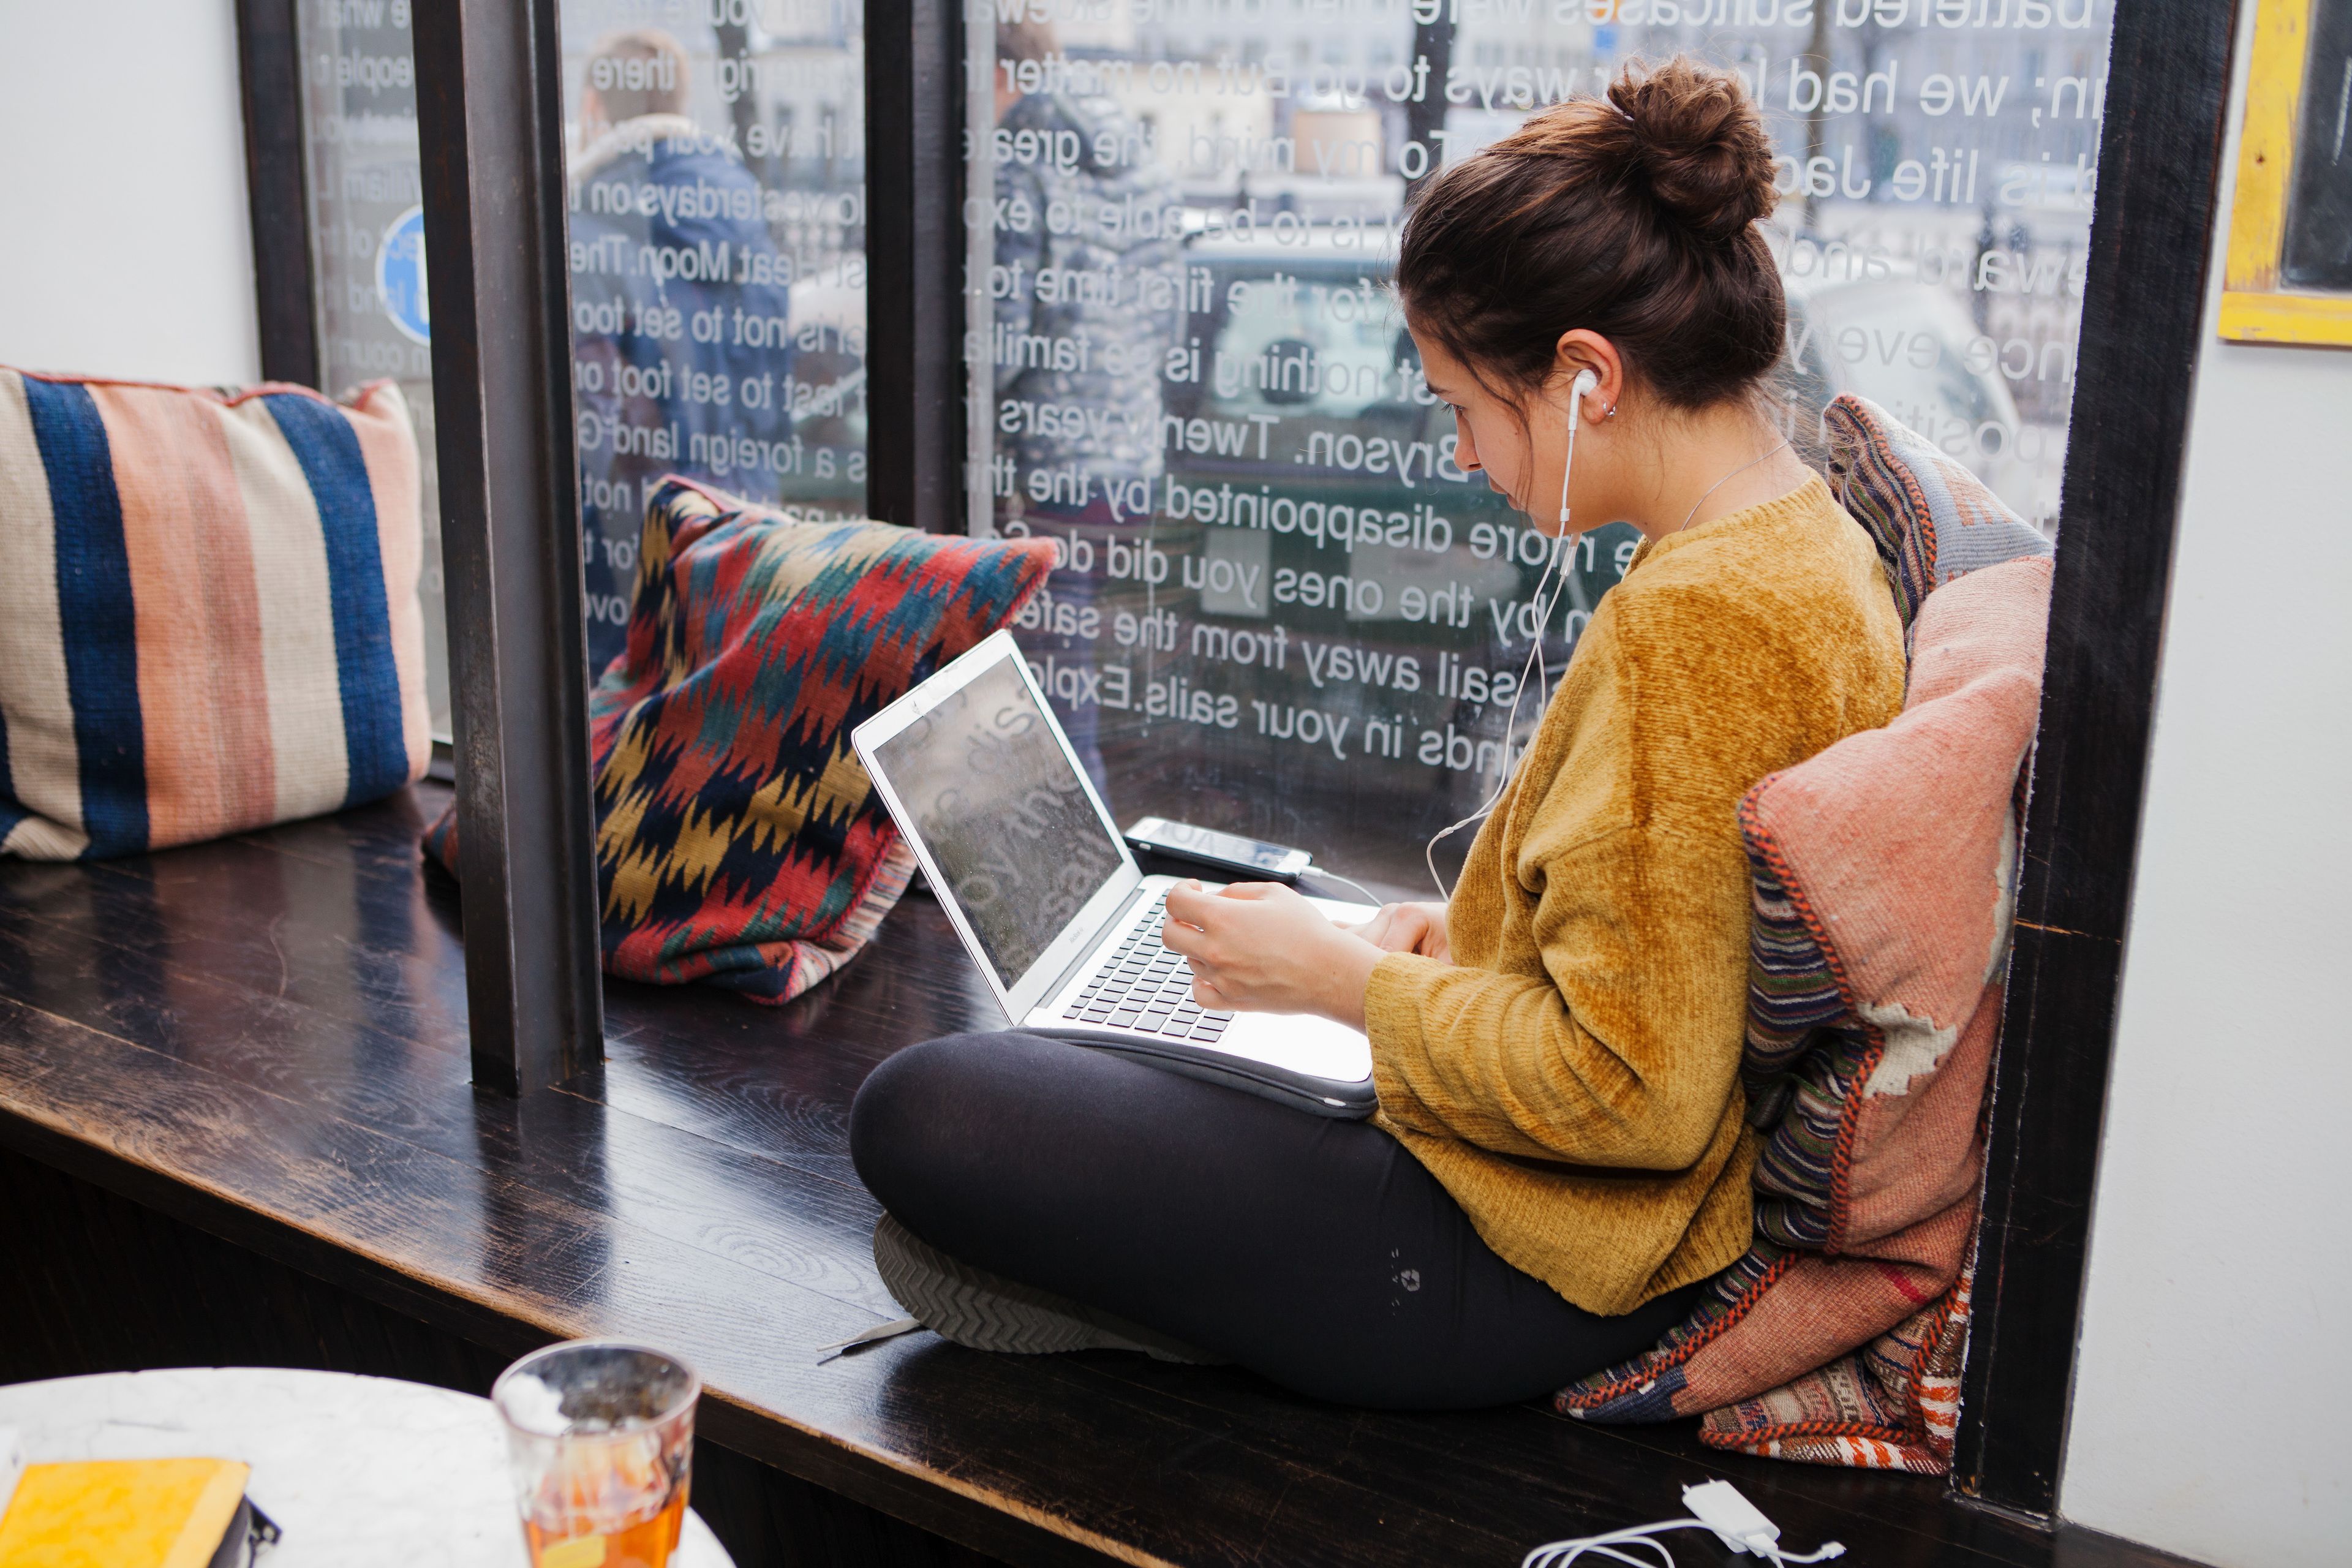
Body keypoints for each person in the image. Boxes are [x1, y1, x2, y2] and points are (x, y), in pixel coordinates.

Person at [850, 58, 1908, 1410]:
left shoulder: (1704, 624)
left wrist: (1341, 987)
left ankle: (1186, 1300)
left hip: (1523, 1260)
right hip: (1551, 1216)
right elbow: (1666, 940)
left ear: (1587, 375)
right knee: (1093, 1058)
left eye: (1465, 407)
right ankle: (1178, 1272)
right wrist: (1455, 941)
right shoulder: (1787, 541)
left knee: (925, 1107)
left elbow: (1634, 1091)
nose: (1465, 455)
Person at [567, 28, 796, 666]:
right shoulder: (746, 212)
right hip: (749, 522)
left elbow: (596, 432)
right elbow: (775, 396)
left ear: (592, 107)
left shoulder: (586, 226)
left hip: (641, 549)